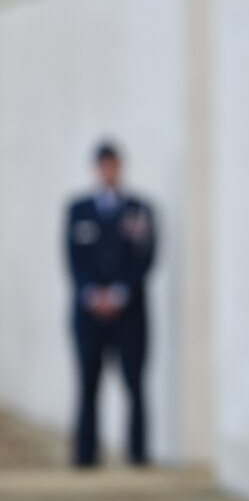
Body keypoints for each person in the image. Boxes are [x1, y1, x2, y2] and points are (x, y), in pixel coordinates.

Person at [66, 142, 155, 467]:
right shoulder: (78, 209)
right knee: (88, 383)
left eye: (113, 165)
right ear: (96, 168)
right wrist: (93, 294)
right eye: (103, 165)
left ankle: (138, 454)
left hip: (129, 314)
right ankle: (85, 456)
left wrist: (119, 293)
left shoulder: (140, 209)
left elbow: (146, 257)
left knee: (134, 382)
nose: (108, 171)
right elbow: (73, 259)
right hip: (89, 315)